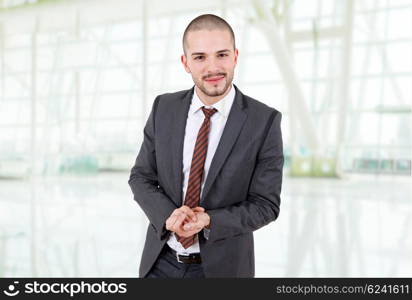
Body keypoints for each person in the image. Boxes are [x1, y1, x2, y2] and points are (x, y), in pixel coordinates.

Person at [128, 14, 284, 278]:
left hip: (223, 269)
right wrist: (168, 216)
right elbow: (141, 177)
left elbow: (266, 205)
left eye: (221, 55)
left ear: (235, 56)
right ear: (185, 63)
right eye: (200, 57)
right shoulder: (163, 108)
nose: (212, 68)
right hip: (160, 264)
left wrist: (210, 220)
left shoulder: (264, 121)